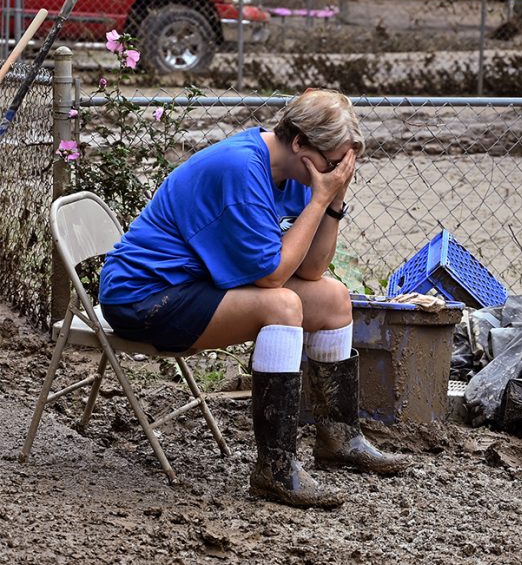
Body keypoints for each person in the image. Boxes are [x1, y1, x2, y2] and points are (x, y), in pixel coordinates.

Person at [98, 89, 409, 509]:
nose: (337, 172)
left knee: (333, 298)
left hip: (199, 285)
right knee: (281, 305)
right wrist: (320, 197)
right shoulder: (242, 170)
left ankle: (340, 436)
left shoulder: (299, 172)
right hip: (146, 296)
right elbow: (273, 276)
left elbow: (312, 270)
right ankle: (274, 470)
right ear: (299, 143)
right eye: (333, 163)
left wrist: (332, 200)